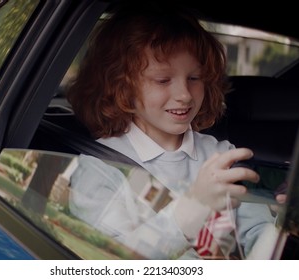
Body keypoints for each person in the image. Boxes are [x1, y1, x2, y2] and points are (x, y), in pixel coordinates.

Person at [66, 1, 279, 259]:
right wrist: (188, 212)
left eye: (194, 78)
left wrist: (279, 229)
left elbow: (256, 231)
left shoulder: (220, 155)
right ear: (121, 86)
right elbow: (109, 258)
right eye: (163, 80)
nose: (184, 95)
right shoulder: (100, 168)